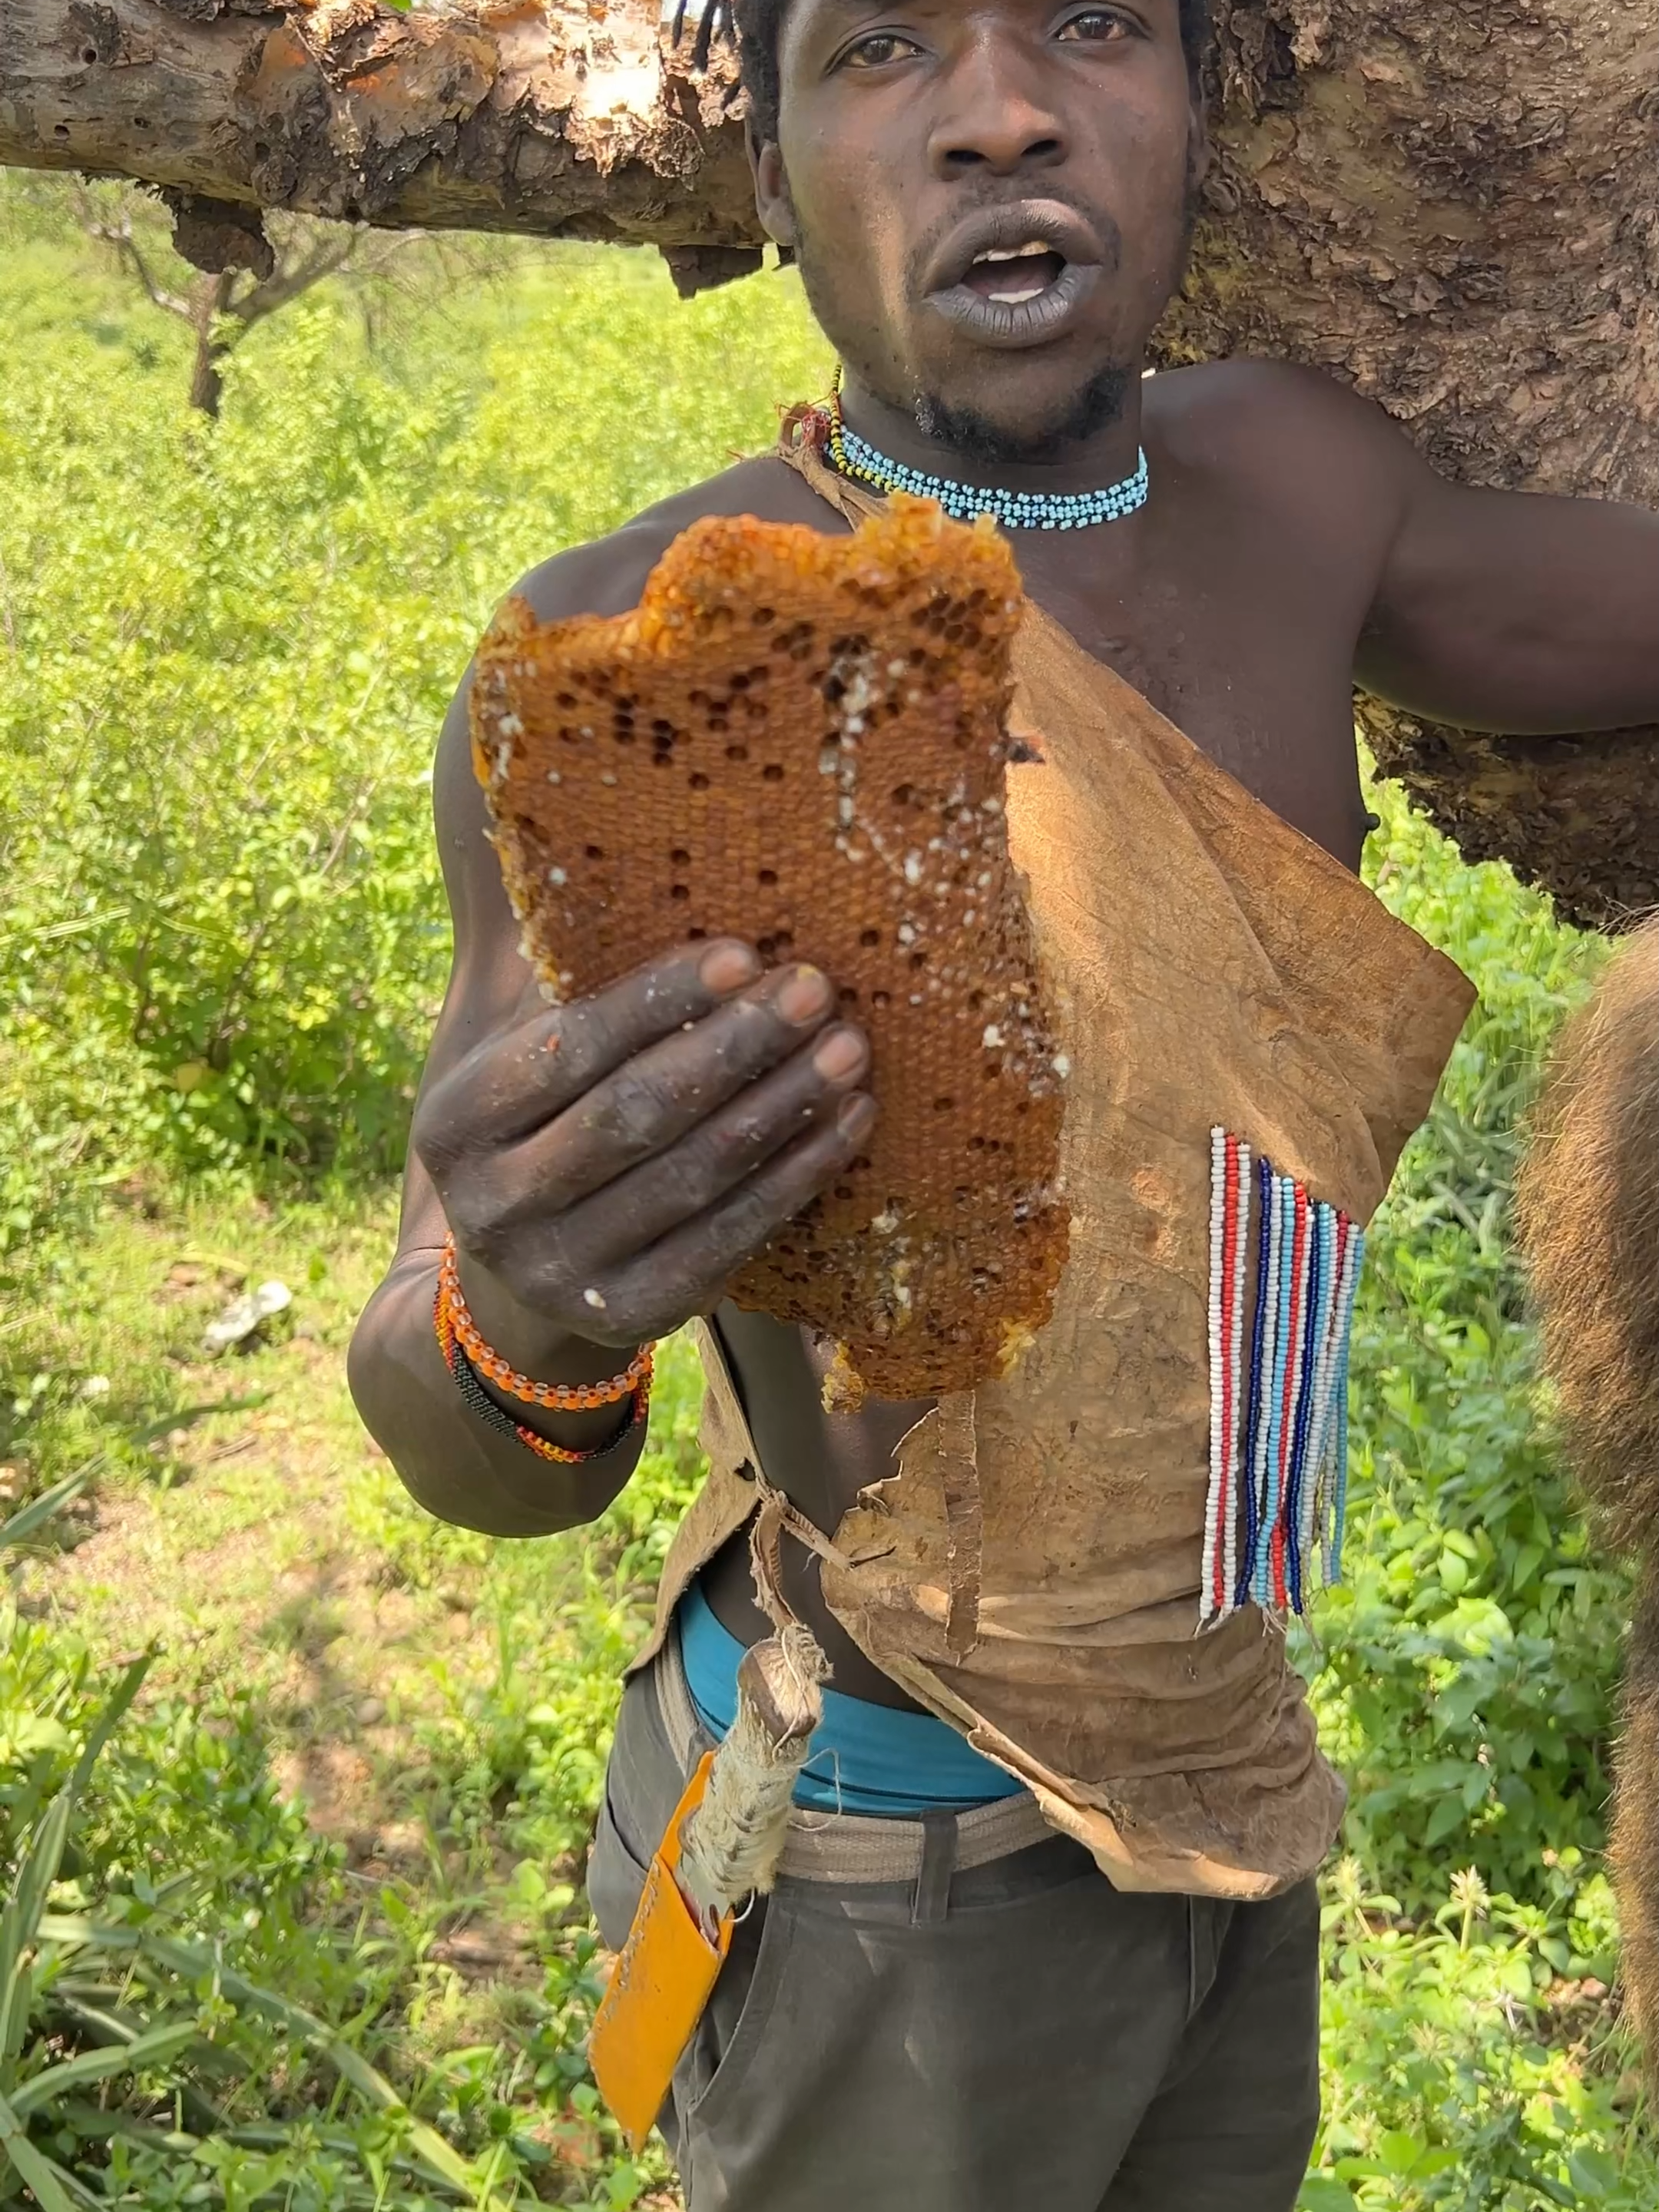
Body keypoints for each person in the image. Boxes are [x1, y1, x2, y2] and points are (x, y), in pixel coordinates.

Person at [348, 3, 1659, 2205]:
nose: (1002, 109)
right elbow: (454, 1423)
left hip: (1229, 1752)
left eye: (1090, 26)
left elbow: (1599, 625)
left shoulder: (1303, 495)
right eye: (876, 47)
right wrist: (522, 1305)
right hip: (892, 1862)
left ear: (1196, 113)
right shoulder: (642, 665)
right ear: (765, 179)